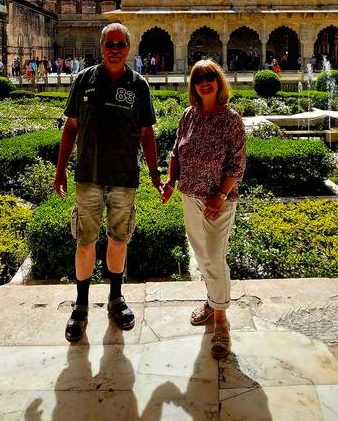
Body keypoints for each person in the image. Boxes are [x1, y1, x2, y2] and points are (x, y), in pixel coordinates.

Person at [54, 23, 162, 343]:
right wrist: (60, 170)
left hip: (123, 177)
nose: (115, 49)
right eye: (109, 44)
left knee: (118, 239)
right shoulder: (84, 80)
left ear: (129, 48)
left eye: (121, 44)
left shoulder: (138, 85)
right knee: (85, 242)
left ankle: (116, 298)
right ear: (101, 47)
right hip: (88, 175)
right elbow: (71, 127)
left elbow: (147, 133)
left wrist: (155, 174)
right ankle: (82, 305)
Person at [162, 59, 246, 359]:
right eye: (199, 78)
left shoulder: (230, 119)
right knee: (202, 257)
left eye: (210, 77)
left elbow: (238, 164)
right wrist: (171, 181)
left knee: (213, 257)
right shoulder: (189, 116)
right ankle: (213, 303)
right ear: (193, 85)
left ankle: (222, 321)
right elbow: (176, 151)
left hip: (218, 201)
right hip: (190, 197)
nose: (204, 82)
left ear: (219, 81)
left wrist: (220, 196)